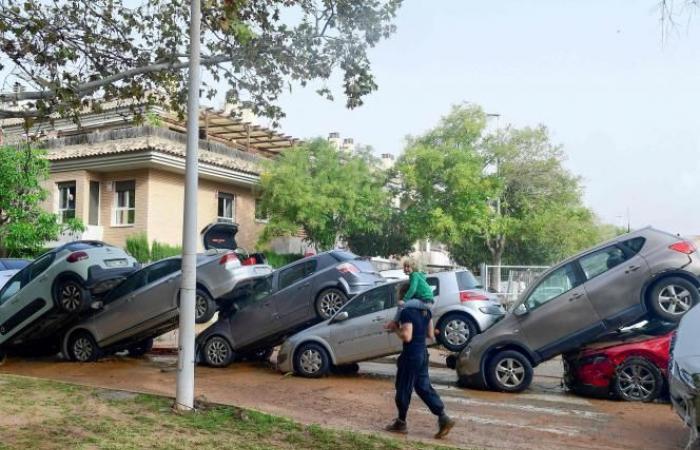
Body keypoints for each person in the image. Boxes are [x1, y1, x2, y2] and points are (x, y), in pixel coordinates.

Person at [385, 305, 455, 439]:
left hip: (411, 355)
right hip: (422, 354)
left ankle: (401, 423)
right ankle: (443, 417)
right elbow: (430, 335)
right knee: (423, 387)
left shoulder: (407, 311)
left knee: (403, 388)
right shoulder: (426, 311)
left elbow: (407, 336)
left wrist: (395, 329)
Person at [389, 259, 434, 326]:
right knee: (409, 304)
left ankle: (395, 323)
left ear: (413, 267)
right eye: (405, 266)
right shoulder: (418, 275)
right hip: (428, 301)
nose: (406, 268)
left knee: (400, 304)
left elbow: (413, 289)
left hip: (425, 302)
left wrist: (404, 300)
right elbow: (419, 292)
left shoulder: (414, 275)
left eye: (408, 266)